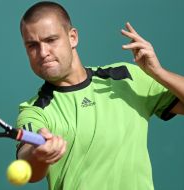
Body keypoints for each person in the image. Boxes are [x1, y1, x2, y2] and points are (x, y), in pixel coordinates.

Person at [16, 1, 184, 189]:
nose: (43, 52)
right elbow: (28, 165)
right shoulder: (34, 111)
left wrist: (159, 73)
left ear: (72, 37)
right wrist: (40, 154)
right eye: (32, 46)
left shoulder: (126, 77)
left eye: (51, 40)